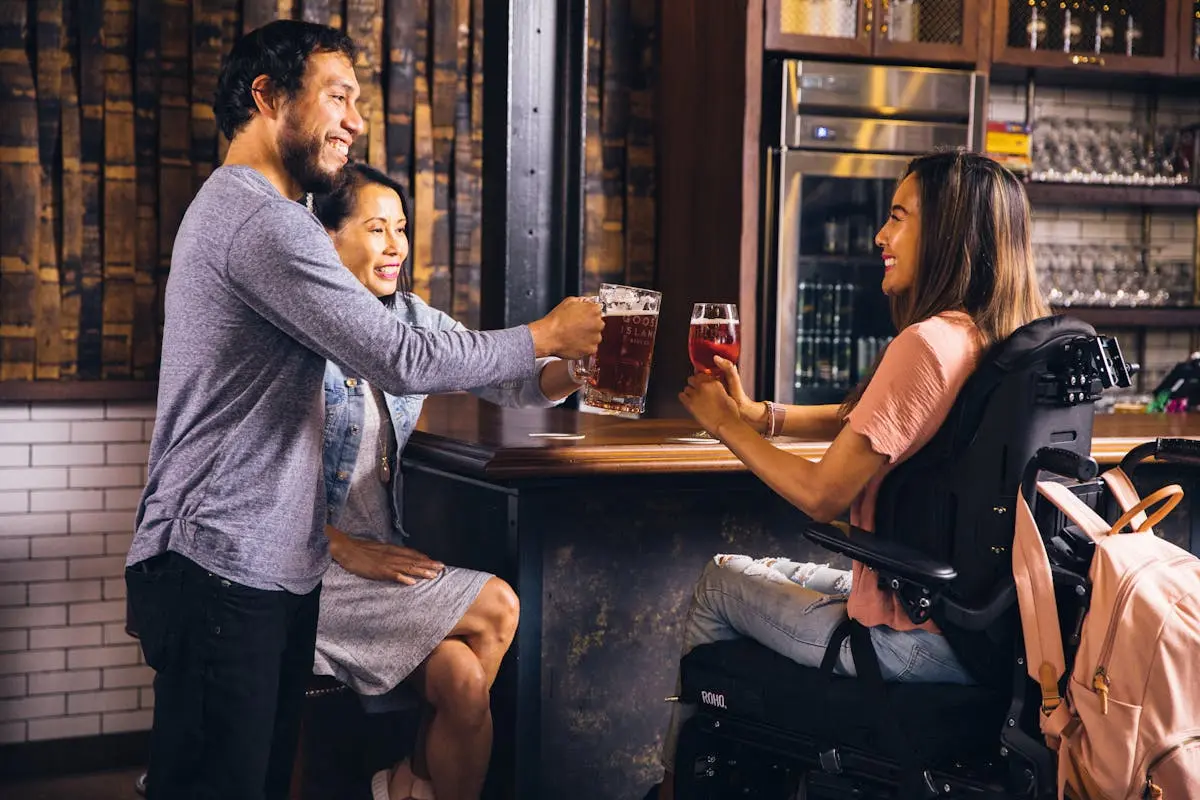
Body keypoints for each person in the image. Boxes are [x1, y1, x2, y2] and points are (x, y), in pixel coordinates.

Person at [123, 20, 602, 800]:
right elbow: (398, 358)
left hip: (257, 566)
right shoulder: (263, 220)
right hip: (219, 565)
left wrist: (554, 363)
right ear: (268, 97)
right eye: (338, 97)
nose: (355, 121)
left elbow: (416, 347)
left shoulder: (258, 215)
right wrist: (545, 332)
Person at [649, 151, 1049, 799]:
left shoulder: (925, 344)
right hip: (971, 631)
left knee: (720, 582)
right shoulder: (996, 335)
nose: (879, 238)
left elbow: (820, 494)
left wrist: (728, 426)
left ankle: (677, 788)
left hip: (908, 640)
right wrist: (760, 414)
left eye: (897, 218)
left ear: (949, 232)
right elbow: (870, 417)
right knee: (753, 576)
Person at [310, 163, 583, 800]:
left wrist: (574, 369)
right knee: (498, 605)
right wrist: (344, 546)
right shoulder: (302, 326)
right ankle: (403, 784)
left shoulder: (410, 316)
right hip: (308, 570)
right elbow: (255, 475)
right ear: (325, 240)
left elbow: (512, 380)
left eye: (400, 229)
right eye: (376, 229)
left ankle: (408, 786)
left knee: (463, 682)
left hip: (383, 563)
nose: (396, 246)